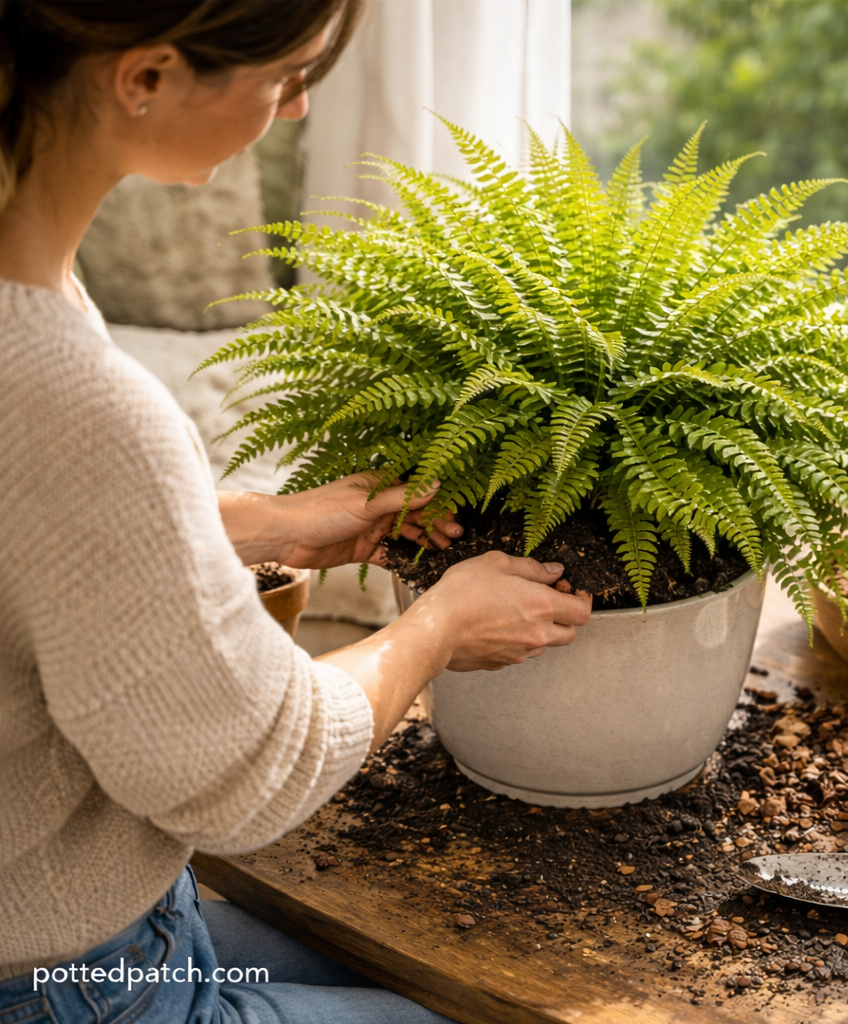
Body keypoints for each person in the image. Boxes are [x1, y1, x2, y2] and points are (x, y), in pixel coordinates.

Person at [0, 2, 592, 1021]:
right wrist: (438, 626)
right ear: (144, 77)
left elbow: (37, 530)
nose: (301, 105)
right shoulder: (73, 399)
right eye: (285, 76)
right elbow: (247, 769)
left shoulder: (29, 288)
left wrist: (258, 520)